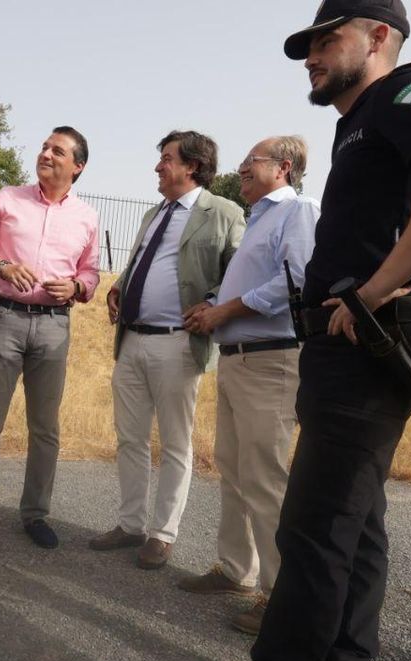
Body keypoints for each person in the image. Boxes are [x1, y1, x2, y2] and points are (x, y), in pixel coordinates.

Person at [241, 1, 411, 661]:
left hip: (375, 335)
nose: (312, 54)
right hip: (353, 337)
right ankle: (345, 658)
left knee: (313, 528)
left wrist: (384, 281)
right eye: (310, 45)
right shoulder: (360, 121)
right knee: (354, 523)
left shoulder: (406, 93)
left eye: (329, 39)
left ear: (380, 35)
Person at [181, 136, 319, 635]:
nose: (240, 168)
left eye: (250, 161)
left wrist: (225, 310)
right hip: (237, 359)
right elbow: (253, 280)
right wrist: (215, 301)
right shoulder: (258, 217)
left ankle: (280, 597)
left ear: (283, 168)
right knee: (234, 469)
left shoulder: (296, 212)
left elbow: (296, 283)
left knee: (264, 479)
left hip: (272, 361)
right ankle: (237, 571)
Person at [89, 130, 245, 570]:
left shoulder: (224, 212)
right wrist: (118, 288)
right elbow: (142, 262)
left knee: (176, 442)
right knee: (130, 438)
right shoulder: (154, 214)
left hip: (178, 343)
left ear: (192, 166)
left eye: (167, 159)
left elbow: (239, 270)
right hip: (132, 339)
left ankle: (162, 534)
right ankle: (130, 524)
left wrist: (214, 304)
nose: (158, 167)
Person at [0, 126, 100, 551]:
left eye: (58, 151)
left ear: (78, 166)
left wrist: (75, 288)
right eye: (44, 147)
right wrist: (0, 266)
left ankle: (35, 514)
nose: (46, 154)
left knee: (45, 426)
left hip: (55, 325)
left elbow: (90, 272)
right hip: (5, 319)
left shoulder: (87, 217)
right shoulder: (8, 198)